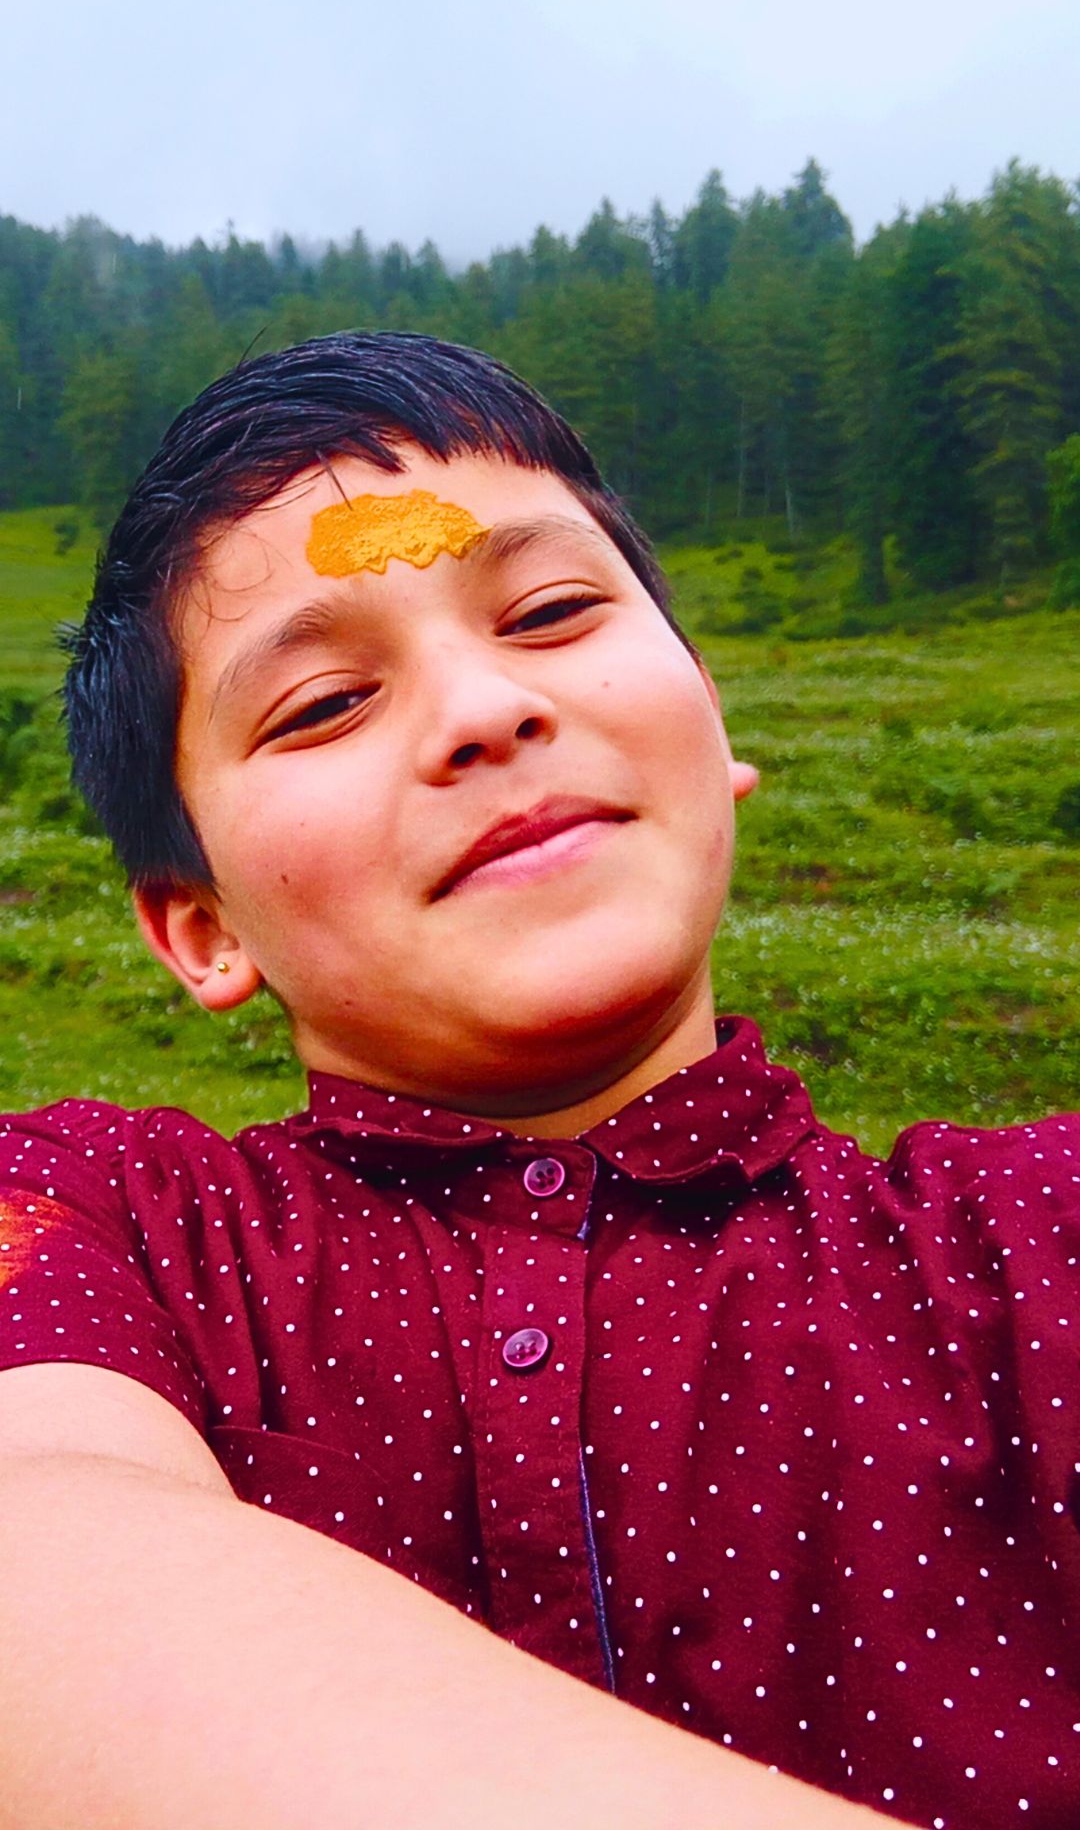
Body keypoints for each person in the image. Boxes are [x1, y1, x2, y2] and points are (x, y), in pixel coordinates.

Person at [0, 332, 1076, 1830]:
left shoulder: (1044, 1239)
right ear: (201, 925)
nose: (482, 713)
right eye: (320, 705)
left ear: (713, 722)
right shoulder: (90, 1226)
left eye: (555, 612)